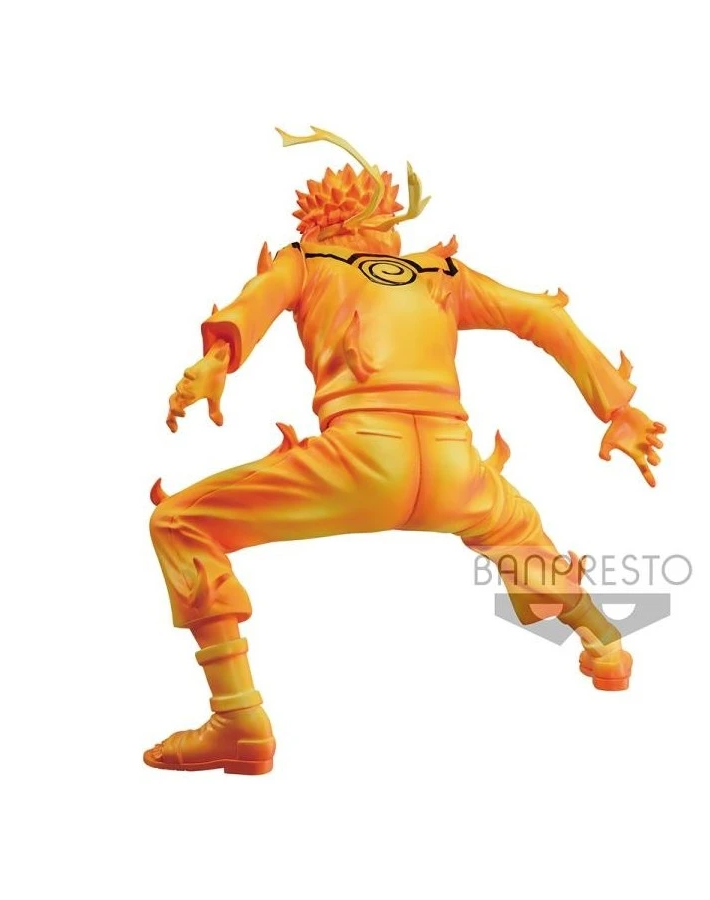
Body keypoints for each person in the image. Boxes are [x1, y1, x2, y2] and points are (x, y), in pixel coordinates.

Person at [145, 127, 667, 774]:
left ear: (321, 223)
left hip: (362, 462)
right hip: (454, 468)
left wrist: (217, 359)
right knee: (515, 531)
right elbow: (543, 316)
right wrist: (618, 409)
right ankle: (607, 648)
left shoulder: (304, 260)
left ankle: (239, 719)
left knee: (180, 523)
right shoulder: (441, 272)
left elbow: (255, 305)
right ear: (383, 221)